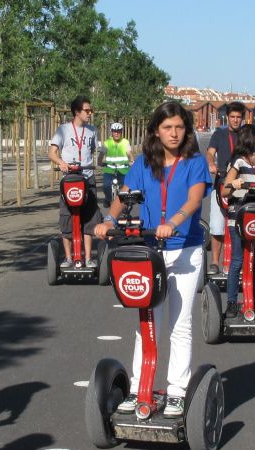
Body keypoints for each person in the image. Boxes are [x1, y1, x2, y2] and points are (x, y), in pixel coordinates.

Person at [94, 101, 211, 418]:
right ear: (156, 131)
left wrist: (173, 222)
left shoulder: (194, 162)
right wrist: (108, 220)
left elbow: (194, 199)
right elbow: (124, 196)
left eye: (179, 127)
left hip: (184, 250)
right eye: (167, 127)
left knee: (179, 323)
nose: (174, 133)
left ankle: (176, 391)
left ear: (186, 130)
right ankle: (138, 388)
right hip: (150, 252)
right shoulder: (145, 163)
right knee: (146, 323)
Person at [221, 124, 255, 319]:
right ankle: (232, 303)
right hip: (238, 219)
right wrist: (234, 184)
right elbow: (224, 190)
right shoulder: (238, 163)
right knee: (238, 261)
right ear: (254, 139)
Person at [49, 95, 103, 268]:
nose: (90, 113)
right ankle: (68, 258)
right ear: (77, 112)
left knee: (90, 217)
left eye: (90, 110)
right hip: (69, 180)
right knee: (66, 217)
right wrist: (61, 163)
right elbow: (52, 152)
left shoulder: (92, 130)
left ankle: (87, 258)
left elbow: (93, 150)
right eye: (87, 110)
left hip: (87, 177)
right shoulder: (63, 130)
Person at [205, 101, 245, 274]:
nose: (235, 120)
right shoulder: (219, 134)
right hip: (221, 183)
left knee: (241, 226)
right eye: (232, 117)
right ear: (227, 117)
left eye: (238, 117)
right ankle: (215, 262)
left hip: (242, 185)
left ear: (242, 118)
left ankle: (239, 263)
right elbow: (209, 152)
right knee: (216, 225)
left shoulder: (246, 134)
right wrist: (211, 163)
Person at [99, 122, 134, 207]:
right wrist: (99, 161)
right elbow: (102, 153)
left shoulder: (125, 142)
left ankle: (124, 204)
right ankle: (108, 199)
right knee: (106, 185)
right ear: (112, 132)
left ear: (121, 132)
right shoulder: (107, 142)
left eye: (119, 131)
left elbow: (129, 153)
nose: (117, 133)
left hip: (123, 169)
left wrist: (132, 161)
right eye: (115, 131)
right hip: (109, 169)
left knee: (125, 188)